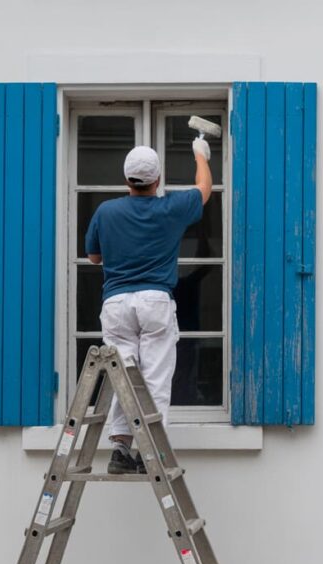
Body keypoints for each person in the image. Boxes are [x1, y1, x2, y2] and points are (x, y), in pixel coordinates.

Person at [85, 138, 212, 474]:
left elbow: (94, 257)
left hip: (116, 302)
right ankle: (148, 453)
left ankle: (119, 449)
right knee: (154, 377)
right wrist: (200, 154)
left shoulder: (106, 211)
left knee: (123, 378)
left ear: (127, 179)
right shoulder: (170, 207)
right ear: (157, 180)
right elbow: (203, 189)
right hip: (155, 300)